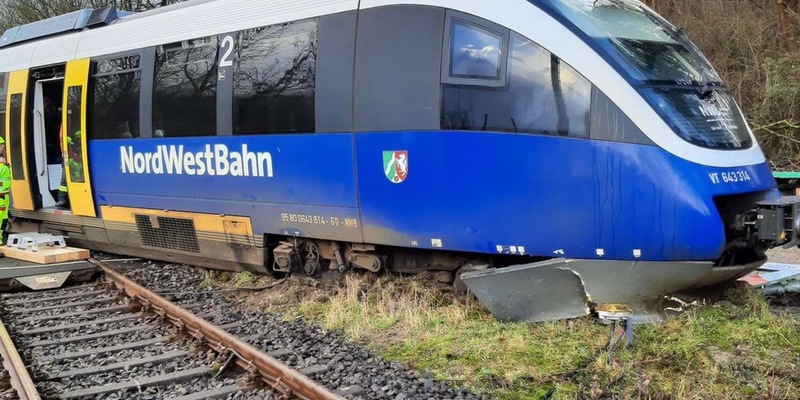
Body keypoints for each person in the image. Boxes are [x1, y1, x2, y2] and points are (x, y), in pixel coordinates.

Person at [0, 136, 11, 248]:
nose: (3, 146)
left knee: (3, 221)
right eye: (1, 145)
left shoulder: (2, 163)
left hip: (4, 198)